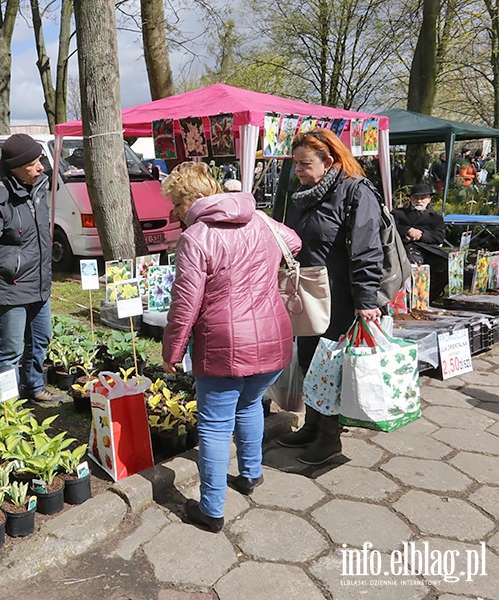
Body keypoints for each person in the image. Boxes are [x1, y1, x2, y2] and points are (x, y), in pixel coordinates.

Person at [161, 161, 301, 532]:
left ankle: (211, 509)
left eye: (175, 203)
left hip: (223, 344)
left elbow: (185, 303)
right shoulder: (262, 221)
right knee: (251, 403)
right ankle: (251, 474)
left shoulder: (196, 237)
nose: (174, 212)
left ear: (189, 199)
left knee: (214, 425)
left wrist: (172, 351)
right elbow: (295, 242)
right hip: (272, 338)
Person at [277, 129, 384, 465]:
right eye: (295, 164)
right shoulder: (304, 194)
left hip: (342, 296)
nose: (299, 171)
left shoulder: (355, 192)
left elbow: (368, 249)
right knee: (311, 361)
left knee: (333, 367)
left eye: (305, 164)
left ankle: (330, 437)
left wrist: (367, 300)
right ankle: (312, 425)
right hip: (310, 294)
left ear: (330, 161)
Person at [0, 134, 64, 406]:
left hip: (38, 283)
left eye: (40, 161)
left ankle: (34, 386)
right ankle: (4, 407)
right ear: (15, 166)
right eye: (33, 163)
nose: (41, 167)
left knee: (41, 338)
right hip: (10, 285)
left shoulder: (37, 185)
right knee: (9, 349)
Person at [392, 183, 448, 302]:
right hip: (406, 248)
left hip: (429, 249)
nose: (419, 201)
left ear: (429, 199)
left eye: (422, 198)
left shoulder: (436, 218)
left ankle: (430, 297)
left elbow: (439, 237)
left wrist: (420, 235)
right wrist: (408, 230)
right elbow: (390, 227)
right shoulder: (398, 214)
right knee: (415, 265)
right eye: (416, 198)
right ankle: (412, 300)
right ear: (411, 199)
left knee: (447, 266)